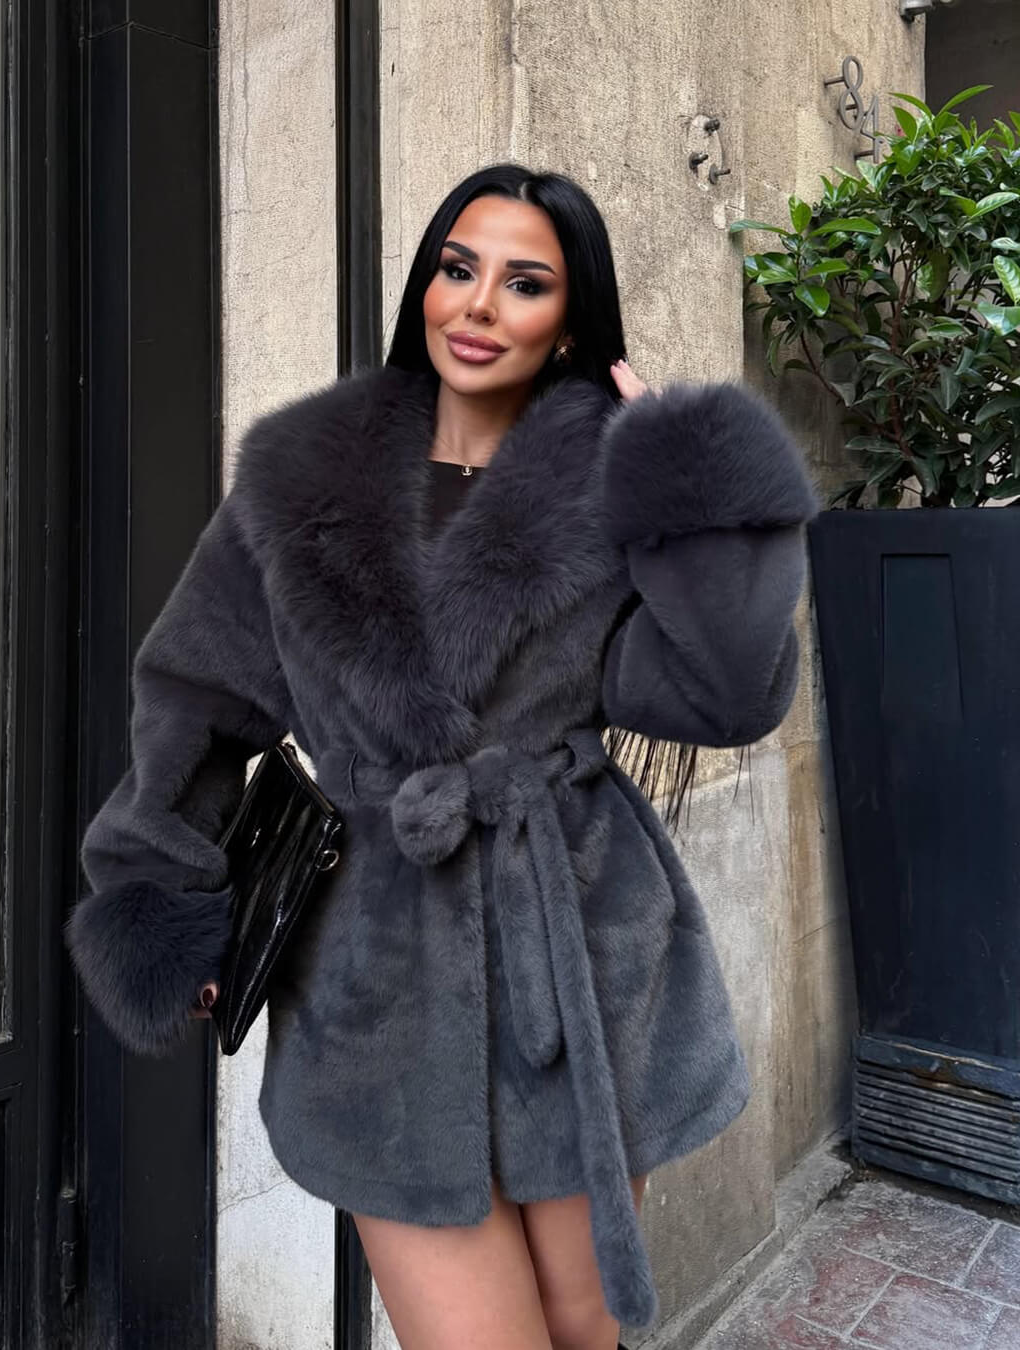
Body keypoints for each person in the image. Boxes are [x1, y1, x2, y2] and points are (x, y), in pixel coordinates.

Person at [65, 163, 819, 1350]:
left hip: (577, 949)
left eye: (525, 282)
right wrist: (165, 886)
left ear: (570, 320)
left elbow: (727, 695)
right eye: (458, 267)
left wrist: (686, 481)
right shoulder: (297, 478)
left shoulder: (611, 485)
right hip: (378, 973)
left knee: (585, 1333)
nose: (477, 304)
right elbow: (198, 696)